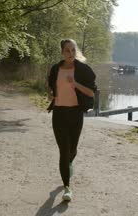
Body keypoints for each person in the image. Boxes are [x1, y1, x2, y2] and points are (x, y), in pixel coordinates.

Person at [46, 39, 97, 202]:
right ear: (62, 52)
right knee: (64, 151)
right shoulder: (56, 68)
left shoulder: (83, 70)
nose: (70, 53)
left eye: (73, 50)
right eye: (67, 50)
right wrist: (50, 93)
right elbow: (50, 83)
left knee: (72, 150)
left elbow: (91, 93)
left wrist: (75, 83)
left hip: (75, 114)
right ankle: (67, 187)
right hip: (59, 114)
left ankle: (68, 166)